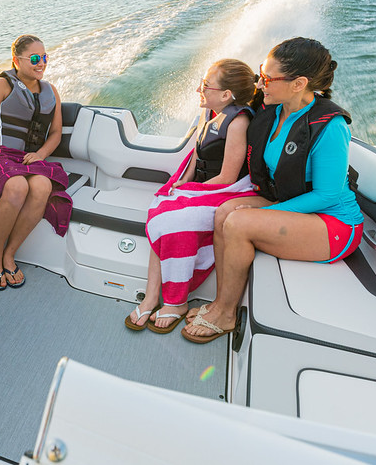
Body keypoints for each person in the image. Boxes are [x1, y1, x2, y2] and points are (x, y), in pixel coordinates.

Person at [182, 37, 363, 343]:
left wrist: (264, 212)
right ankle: (218, 302)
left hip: (334, 225)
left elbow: (327, 195)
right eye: (260, 74)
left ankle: (226, 314)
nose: (260, 82)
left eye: (267, 78)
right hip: (291, 202)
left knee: (238, 221)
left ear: (298, 84)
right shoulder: (274, 110)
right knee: (224, 211)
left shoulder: (331, 126)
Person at [126, 59, 260, 333]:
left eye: (206, 85)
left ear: (226, 95)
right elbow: (197, 155)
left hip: (225, 190)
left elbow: (227, 177)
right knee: (163, 206)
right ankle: (153, 296)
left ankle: (176, 302)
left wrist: (191, 193)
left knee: (174, 217)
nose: (200, 89)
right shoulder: (210, 112)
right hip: (203, 184)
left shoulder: (238, 122)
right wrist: (182, 184)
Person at [0, 34, 72, 290]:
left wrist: (41, 154)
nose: (41, 63)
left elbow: (55, 133)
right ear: (17, 60)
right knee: (17, 187)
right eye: (35, 58)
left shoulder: (50, 91)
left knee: (43, 187)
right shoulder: (0, 87)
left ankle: (10, 253)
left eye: (44, 57)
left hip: (30, 160)